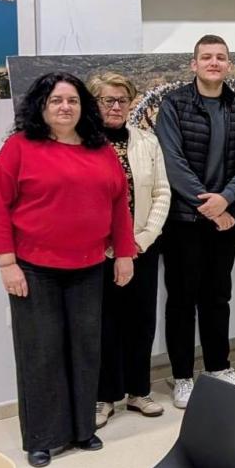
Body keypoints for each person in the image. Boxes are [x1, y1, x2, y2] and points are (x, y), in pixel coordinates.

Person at [0, 72, 135, 467]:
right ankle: (42, 437)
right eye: (56, 100)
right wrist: (7, 262)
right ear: (41, 106)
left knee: (85, 350)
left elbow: (118, 205)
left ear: (82, 106)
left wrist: (124, 254)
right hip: (34, 270)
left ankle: (82, 429)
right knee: (41, 354)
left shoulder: (100, 149)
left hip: (88, 268)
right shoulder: (19, 147)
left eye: (72, 100)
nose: (64, 107)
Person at [156, 35, 235, 407]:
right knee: (182, 300)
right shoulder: (174, 105)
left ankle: (218, 367)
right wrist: (211, 205)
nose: (213, 62)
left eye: (220, 57)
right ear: (194, 64)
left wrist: (226, 200)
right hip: (184, 220)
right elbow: (172, 162)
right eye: (206, 57)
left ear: (229, 64)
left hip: (226, 220)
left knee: (218, 297)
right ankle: (183, 376)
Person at [89, 74, 170, 427]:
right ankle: (104, 396)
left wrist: (144, 238)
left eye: (122, 100)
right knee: (104, 324)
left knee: (141, 321)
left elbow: (162, 192)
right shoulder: (83, 144)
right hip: (97, 253)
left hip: (141, 247)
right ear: (95, 104)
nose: (116, 107)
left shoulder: (147, 141)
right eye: (108, 100)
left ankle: (139, 391)